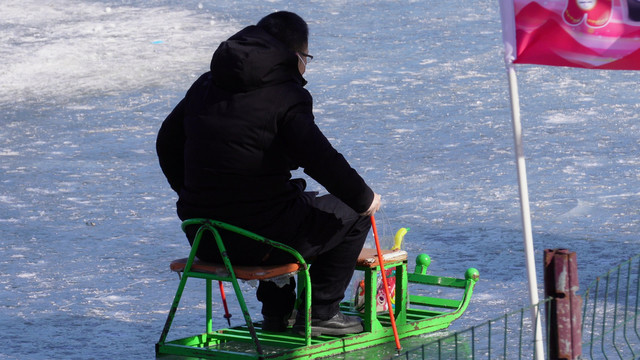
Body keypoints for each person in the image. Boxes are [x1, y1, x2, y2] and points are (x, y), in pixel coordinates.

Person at [156, 11, 381, 336]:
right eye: (307, 58)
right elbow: (320, 159)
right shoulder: (286, 95)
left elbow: (167, 142)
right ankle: (321, 311)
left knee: (291, 203)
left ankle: (278, 313)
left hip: (204, 236)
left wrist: (192, 195)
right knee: (351, 212)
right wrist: (365, 198)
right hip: (260, 242)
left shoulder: (207, 84)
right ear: (295, 55)